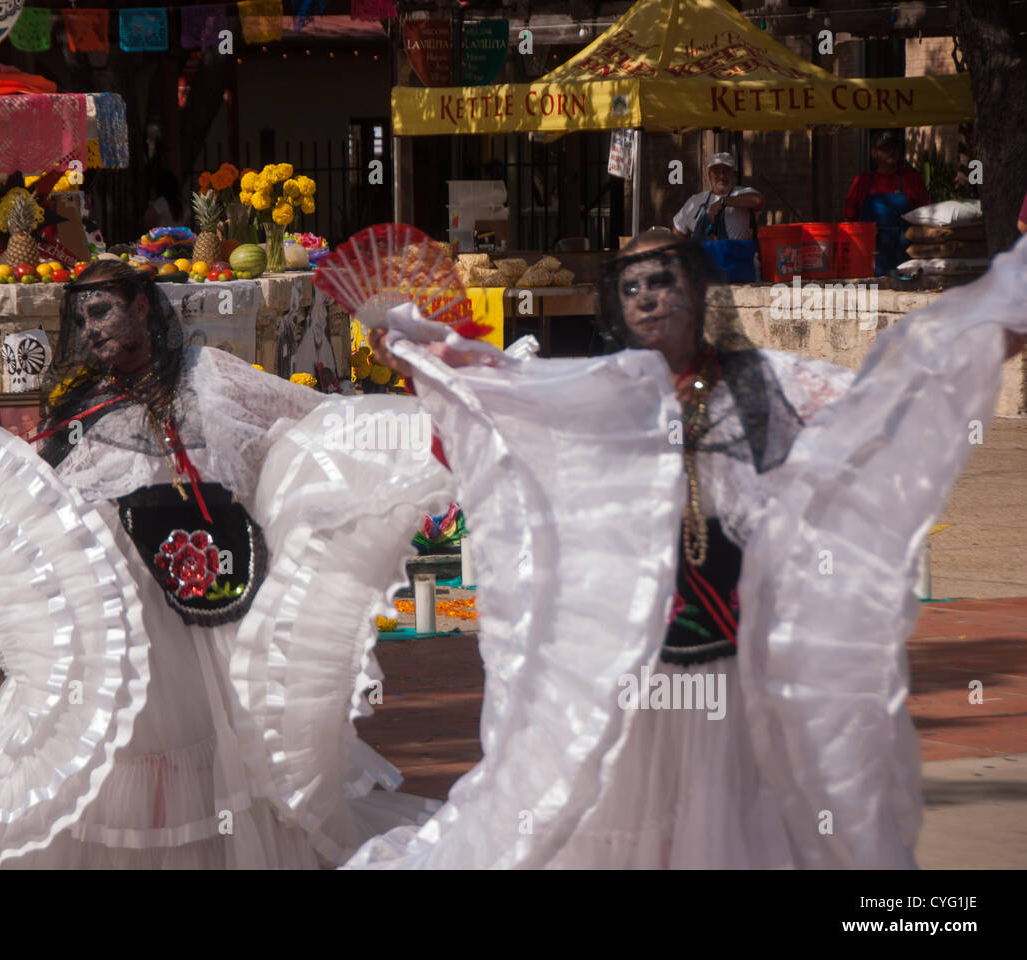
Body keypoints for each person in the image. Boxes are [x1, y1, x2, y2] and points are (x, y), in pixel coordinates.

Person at [350, 231, 1026, 869]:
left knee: (738, 825)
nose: (647, 296)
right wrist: (420, 361)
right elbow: (495, 408)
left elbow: (881, 401)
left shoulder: (767, 383)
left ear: (699, 290)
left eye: (663, 279)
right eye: (632, 285)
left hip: (733, 672)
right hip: (637, 672)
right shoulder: (598, 394)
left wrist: (986, 339)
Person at [0, 259, 453, 868]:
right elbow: (42, 501)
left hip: (207, 601)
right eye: (82, 319)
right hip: (114, 611)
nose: (91, 329)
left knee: (225, 743)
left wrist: (425, 421)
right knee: (108, 741)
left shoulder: (211, 374)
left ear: (143, 307)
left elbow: (309, 421)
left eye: (103, 311)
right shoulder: (81, 402)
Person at [844, 131, 931, 276]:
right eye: (885, 149)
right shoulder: (862, 181)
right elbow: (850, 219)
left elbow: (925, 215)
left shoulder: (912, 177)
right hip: (870, 256)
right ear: (874, 153)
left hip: (906, 254)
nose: (891, 152)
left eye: (894, 148)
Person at [671, 152, 765, 243]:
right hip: (704, 258)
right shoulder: (695, 200)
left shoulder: (743, 193)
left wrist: (722, 202)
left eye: (726, 170)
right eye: (716, 171)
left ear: (733, 173)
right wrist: (685, 252)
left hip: (735, 257)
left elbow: (757, 200)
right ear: (709, 174)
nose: (721, 175)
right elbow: (678, 229)